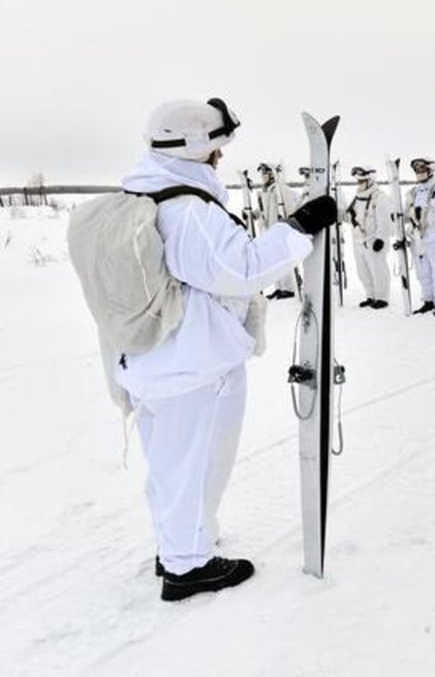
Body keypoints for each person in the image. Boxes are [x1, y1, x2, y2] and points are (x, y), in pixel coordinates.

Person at [116, 98, 336, 600]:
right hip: (192, 362)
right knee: (197, 462)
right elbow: (239, 270)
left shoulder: (143, 191)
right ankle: (189, 566)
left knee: (172, 463)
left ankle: (177, 544)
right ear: (195, 146)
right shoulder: (187, 210)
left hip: (154, 356)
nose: (220, 157)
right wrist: (298, 228)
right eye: (216, 147)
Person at [405, 157, 435, 316]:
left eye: (422, 170)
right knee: (423, 272)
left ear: (430, 171)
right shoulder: (414, 192)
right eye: (417, 171)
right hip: (419, 238)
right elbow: (406, 213)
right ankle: (428, 300)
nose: (419, 173)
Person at [345, 165, 392, 309]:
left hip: (373, 241)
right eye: (358, 181)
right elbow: (351, 216)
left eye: (362, 180)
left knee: (378, 270)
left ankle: (382, 297)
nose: (359, 184)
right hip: (358, 240)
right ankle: (370, 296)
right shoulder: (357, 198)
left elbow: (384, 220)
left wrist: (380, 238)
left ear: (370, 180)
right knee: (363, 271)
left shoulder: (380, 197)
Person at [256, 162, 299, 300]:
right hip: (269, 230)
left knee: (283, 259)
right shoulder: (266, 190)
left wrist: (288, 224)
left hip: (281, 230)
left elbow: (290, 208)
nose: (263, 176)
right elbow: (264, 209)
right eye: (262, 173)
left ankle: (289, 288)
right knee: (274, 260)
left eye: (265, 173)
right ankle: (279, 287)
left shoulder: (282, 190)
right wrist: (252, 214)